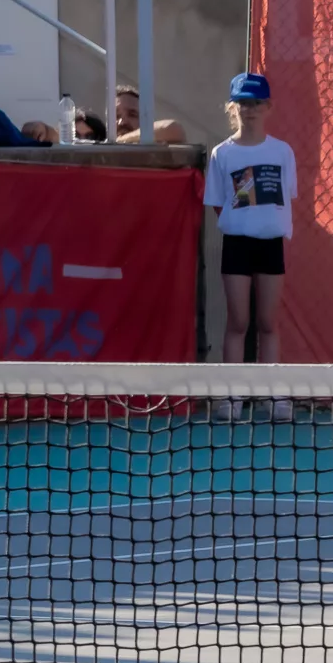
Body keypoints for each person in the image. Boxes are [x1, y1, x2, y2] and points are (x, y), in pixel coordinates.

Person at [202, 72, 297, 420]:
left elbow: (286, 198)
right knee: (238, 321)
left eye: (256, 103)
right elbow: (216, 202)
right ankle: (232, 396)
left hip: (271, 245)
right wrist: (240, 222)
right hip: (237, 246)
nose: (250, 109)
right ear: (234, 107)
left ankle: (272, 395)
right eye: (243, 103)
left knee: (268, 321)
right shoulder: (221, 153)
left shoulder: (282, 152)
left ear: (268, 106)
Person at [113, 83, 185, 144]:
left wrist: (121, 140)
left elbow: (172, 128)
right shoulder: (102, 156)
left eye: (132, 115)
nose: (122, 122)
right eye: (116, 116)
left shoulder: (154, 153)